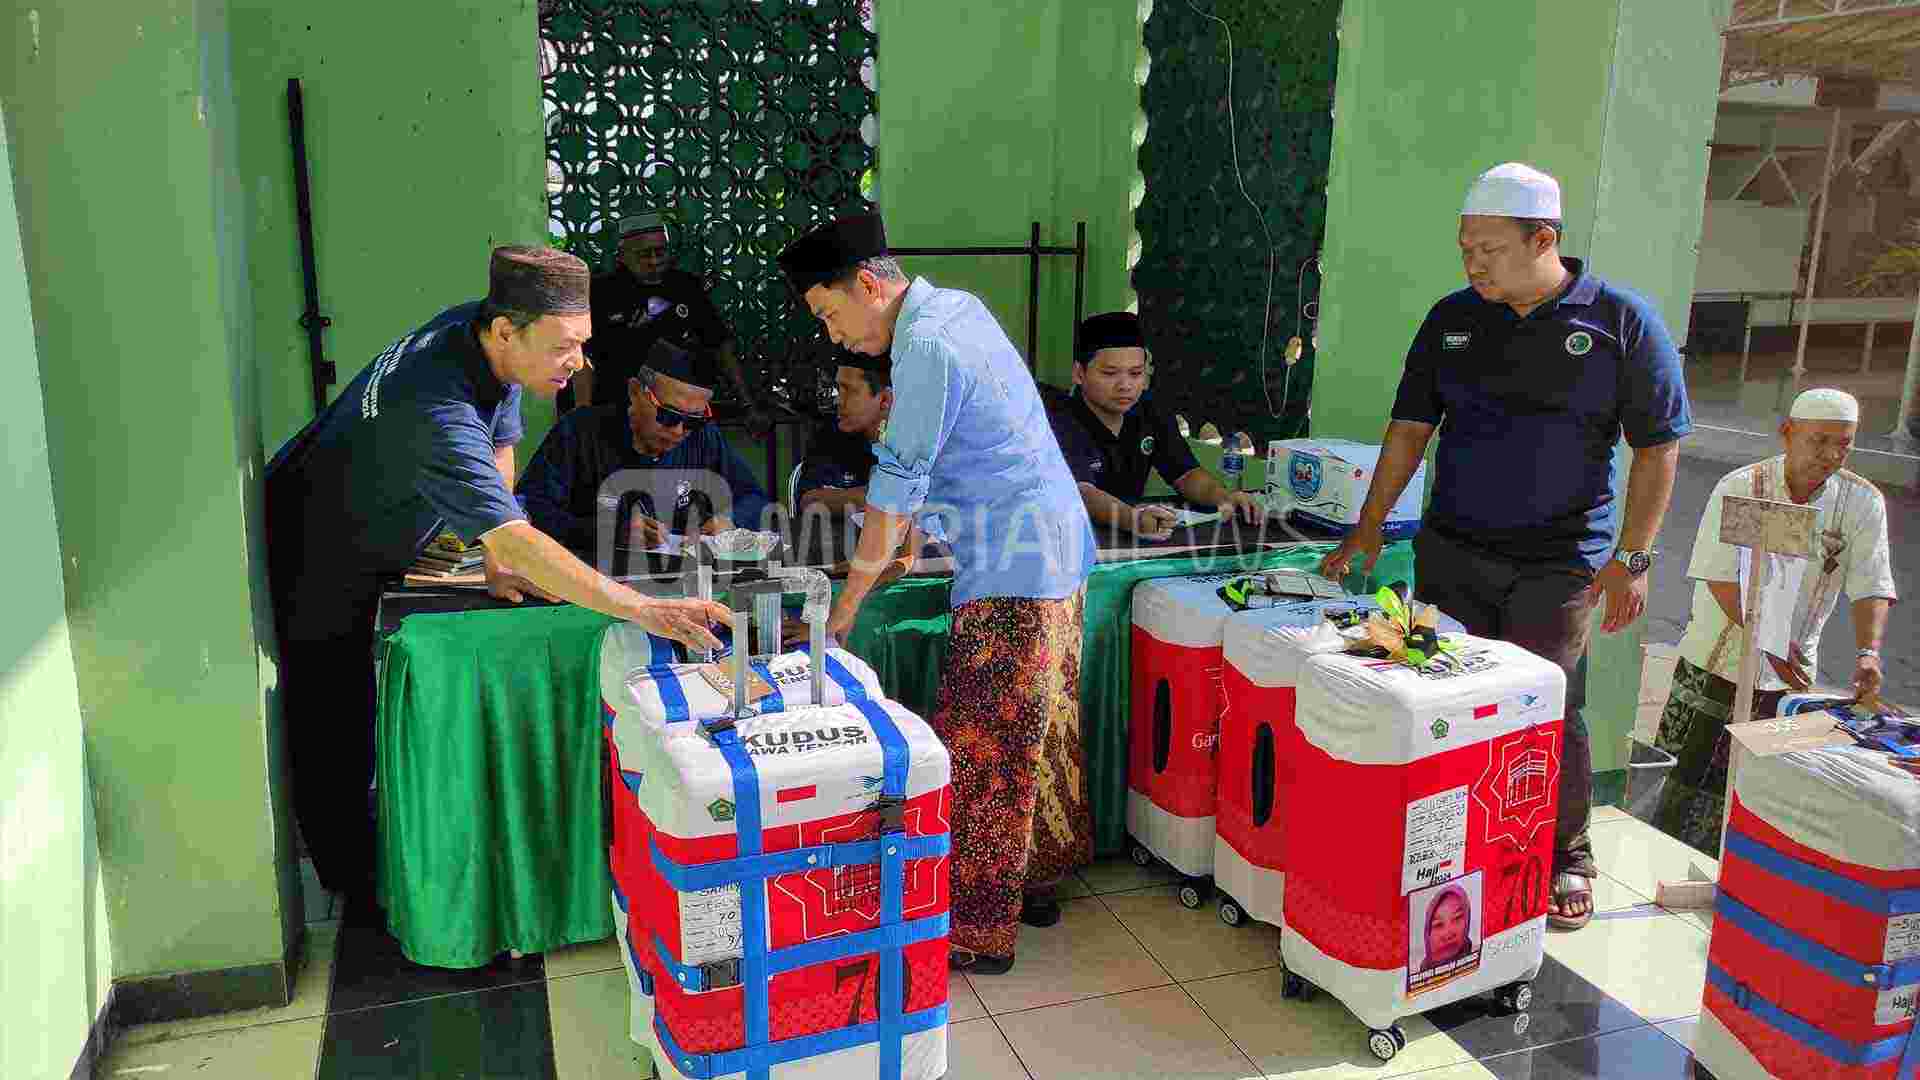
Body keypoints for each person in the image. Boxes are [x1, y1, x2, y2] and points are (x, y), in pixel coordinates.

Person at [264, 247, 728, 925]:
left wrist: (492, 543)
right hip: (316, 546)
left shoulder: (479, 338)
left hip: (375, 532)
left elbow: (502, 442)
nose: (579, 363)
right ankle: (356, 894)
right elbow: (516, 538)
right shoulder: (432, 401)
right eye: (565, 346)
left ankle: (370, 853)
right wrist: (643, 608)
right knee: (331, 714)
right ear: (508, 331)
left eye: (585, 343)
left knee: (357, 707)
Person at [1318, 163, 1692, 932]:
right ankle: (1451, 847)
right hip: (1452, 552)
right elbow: (1409, 432)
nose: (1473, 263)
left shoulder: (1621, 322)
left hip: (1560, 565)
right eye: (1465, 248)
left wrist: (1634, 558)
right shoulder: (1452, 319)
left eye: (1489, 249)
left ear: (1543, 239)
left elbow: (1658, 448)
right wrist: (1366, 527)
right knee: (1440, 698)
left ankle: (1567, 857)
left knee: (1550, 709)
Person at [779, 214, 1097, 974]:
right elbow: (959, 444)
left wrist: (846, 605)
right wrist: (900, 553)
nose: (834, 338)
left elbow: (898, 479)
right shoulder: (958, 307)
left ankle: (976, 933)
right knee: (1042, 731)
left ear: (867, 285)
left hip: (1014, 569)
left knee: (984, 748)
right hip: (1055, 551)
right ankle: (1035, 886)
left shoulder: (924, 344)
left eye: (830, 314)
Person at [1650, 388, 1897, 855]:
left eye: (1843, 444)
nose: (1831, 455)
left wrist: (1868, 654)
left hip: (1790, 678)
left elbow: (1871, 584)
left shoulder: (1862, 502)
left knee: (1761, 792)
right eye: (1819, 441)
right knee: (1683, 782)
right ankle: (1662, 863)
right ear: (1788, 433)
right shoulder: (1744, 486)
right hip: (1715, 662)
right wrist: (1769, 647)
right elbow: (1722, 579)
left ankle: (1737, 879)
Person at [518, 338, 773, 557]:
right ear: (635, 392)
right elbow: (528, 510)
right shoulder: (579, 432)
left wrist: (729, 521)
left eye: (693, 420)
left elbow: (754, 499)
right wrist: (607, 532)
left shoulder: (703, 438)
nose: (679, 431)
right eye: (669, 416)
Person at [1049, 311, 1263, 538]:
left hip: (1136, 536)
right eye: (1110, 373)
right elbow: (1082, 492)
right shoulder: (1059, 418)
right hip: (1071, 540)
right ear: (1079, 374)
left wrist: (1224, 498)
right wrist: (1134, 519)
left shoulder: (1150, 408)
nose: (1125, 385)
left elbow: (1186, 474)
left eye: (1136, 373)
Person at [565, 211, 759, 425]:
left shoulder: (686, 288)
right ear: (622, 256)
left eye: (660, 252)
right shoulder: (602, 293)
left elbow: (719, 345)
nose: (654, 261)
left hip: (680, 414)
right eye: (644, 254)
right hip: (618, 413)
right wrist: (583, 416)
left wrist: (747, 405)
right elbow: (582, 357)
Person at [794, 349, 893, 515]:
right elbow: (808, 501)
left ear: (884, 400)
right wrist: (883, 495)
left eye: (850, 391)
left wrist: (843, 497)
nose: (839, 400)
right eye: (839, 389)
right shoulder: (830, 436)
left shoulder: (913, 440)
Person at [1418, 885, 1476, 972]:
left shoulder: (1479, 958)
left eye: (1457, 917)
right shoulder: (1420, 975)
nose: (1449, 934)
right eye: (1438, 924)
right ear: (1427, 933)